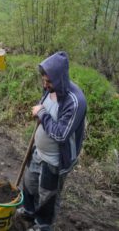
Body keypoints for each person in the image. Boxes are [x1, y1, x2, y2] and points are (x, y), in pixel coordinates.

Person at [17, 51, 87, 231]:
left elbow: (61, 135)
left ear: (60, 79)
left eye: (49, 82)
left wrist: (42, 114)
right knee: (30, 183)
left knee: (47, 195)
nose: (45, 85)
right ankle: (29, 211)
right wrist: (40, 113)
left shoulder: (75, 102)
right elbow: (45, 110)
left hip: (55, 160)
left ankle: (42, 225)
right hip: (38, 152)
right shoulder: (49, 89)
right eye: (43, 80)